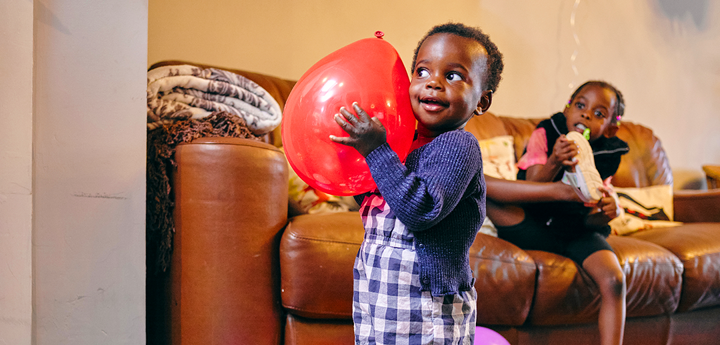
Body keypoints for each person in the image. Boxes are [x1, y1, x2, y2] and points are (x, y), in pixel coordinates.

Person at [329, 22, 503, 344]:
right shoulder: (398, 142)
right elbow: (378, 203)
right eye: (422, 72)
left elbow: (422, 209)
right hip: (377, 286)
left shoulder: (457, 146)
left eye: (453, 76)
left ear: (482, 101)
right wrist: (359, 158)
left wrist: (376, 151)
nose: (433, 83)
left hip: (425, 301)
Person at [488, 80, 629, 345]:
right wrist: (554, 160)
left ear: (611, 128)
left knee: (614, 281)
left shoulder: (610, 154)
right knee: (483, 189)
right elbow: (531, 189)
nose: (586, 115)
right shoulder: (546, 132)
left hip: (577, 231)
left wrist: (609, 212)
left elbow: (592, 218)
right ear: (567, 109)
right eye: (580, 105)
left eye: (599, 114)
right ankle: (565, 190)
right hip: (532, 223)